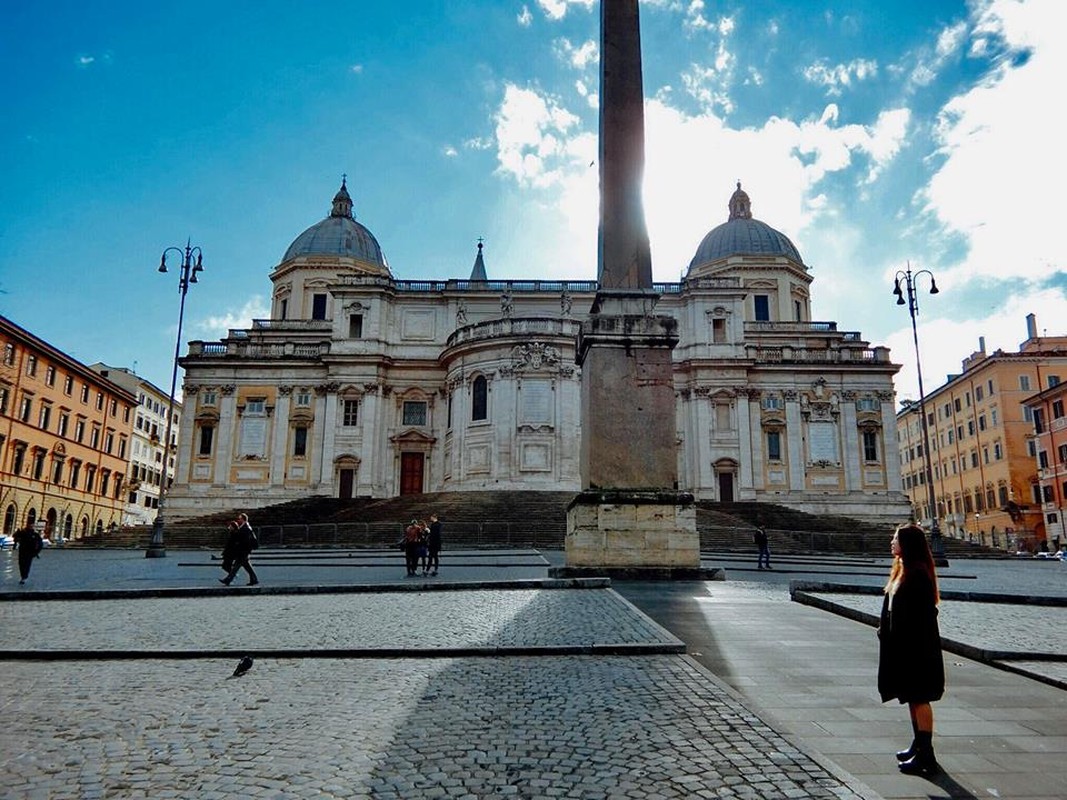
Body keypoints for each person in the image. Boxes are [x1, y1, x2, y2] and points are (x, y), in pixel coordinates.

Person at [878, 523, 945, 776]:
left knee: (920, 698)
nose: (891, 542)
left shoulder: (917, 574)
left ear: (907, 544)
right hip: (903, 647)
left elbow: (924, 614)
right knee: (911, 697)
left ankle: (927, 756)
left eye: (895, 539)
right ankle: (918, 745)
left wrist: (905, 640)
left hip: (917, 649)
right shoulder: (901, 570)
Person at [219, 513, 259, 586]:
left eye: (239, 518)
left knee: (236, 566)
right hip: (244, 551)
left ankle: (228, 579)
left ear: (243, 519)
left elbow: (245, 540)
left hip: (243, 551)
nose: (238, 520)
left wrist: (240, 546)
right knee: (247, 567)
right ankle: (254, 579)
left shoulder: (246, 527)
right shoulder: (245, 527)